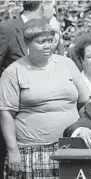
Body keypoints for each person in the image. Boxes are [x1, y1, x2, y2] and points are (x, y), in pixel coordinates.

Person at [0, 18, 90, 178]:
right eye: (41, 42)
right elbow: (6, 113)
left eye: (50, 40)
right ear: (27, 43)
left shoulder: (67, 64)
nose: (48, 45)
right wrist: (13, 149)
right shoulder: (13, 72)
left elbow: (84, 103)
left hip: (71, 147)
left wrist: (87, 131)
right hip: (32, 152)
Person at [0, 1, 55, 178]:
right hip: (12, 113)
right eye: (53, 4)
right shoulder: (7, 28)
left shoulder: (49, 28)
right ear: (43, 5)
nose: (54, 10)